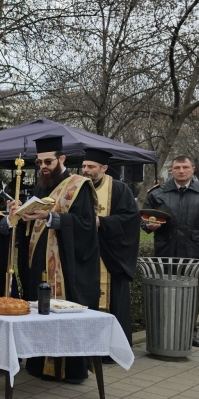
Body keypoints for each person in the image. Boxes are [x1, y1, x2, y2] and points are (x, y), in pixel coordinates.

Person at [8, 135, 99, 383]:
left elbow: (86, 225)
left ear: (61, 159)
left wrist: (50, 219)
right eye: (39, 163)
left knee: (62, 313)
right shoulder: (41, 185)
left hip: (66, 267)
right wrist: (22, 213)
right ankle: (40, 365)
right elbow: (31, 226)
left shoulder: (78, 186)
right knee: (40, 311)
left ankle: (70, 370)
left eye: (48, 161)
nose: (43, 167)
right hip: (39, 265)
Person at [142, 155, 199, 347]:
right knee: (165, 291)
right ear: (172, 170)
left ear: (193, 169)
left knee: (191, 292)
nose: (181, 171)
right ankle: (165, 331)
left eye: (185, 167)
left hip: (195, 250)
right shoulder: (157, 193)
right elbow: (144, 218)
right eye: (177, 167)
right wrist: (147, 226)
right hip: (166, 249)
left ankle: (190, 332)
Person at [80, 148, 140, 346]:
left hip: (109, 255)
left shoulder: (119, 189)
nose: (86, 170)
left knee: (110, 300)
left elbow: (130, 219)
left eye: (91, 167)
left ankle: (109, 349)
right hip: (82, 254)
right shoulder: (76, 187)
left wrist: (101, 222)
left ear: (104, 168)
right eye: (84, 166)